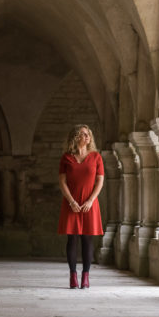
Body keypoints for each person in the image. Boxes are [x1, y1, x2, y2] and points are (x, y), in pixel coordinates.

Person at [57, 124, 104, 289]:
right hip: (72, 203)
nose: (87, 137)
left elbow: (100, 181)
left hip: (89, 204)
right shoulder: (66, 158)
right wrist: (71, 201)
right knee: (72, 238)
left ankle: (85, 276)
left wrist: (91, 200)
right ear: (76, 137)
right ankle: (73, 276)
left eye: (88, 134)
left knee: (87, 238)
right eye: (84, 134)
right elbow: (62, 182)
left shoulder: (96, 157)